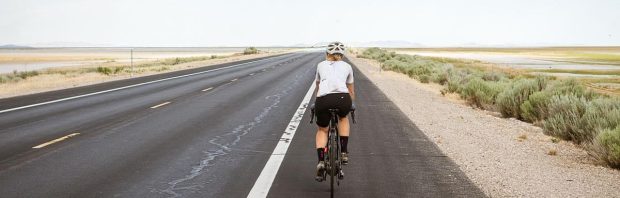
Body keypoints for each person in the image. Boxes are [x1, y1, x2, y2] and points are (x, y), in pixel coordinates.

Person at [313, 41, 355, 182]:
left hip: (323, 100)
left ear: (327, 53)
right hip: (343, 98)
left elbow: (318, 86)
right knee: (343, 118)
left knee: (322, 130)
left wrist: (317, 103)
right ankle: (343, 152)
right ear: (342, 55)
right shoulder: (348, 66)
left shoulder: (320, 65)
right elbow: (351, 90)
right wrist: (351, 104)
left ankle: (320, 161)